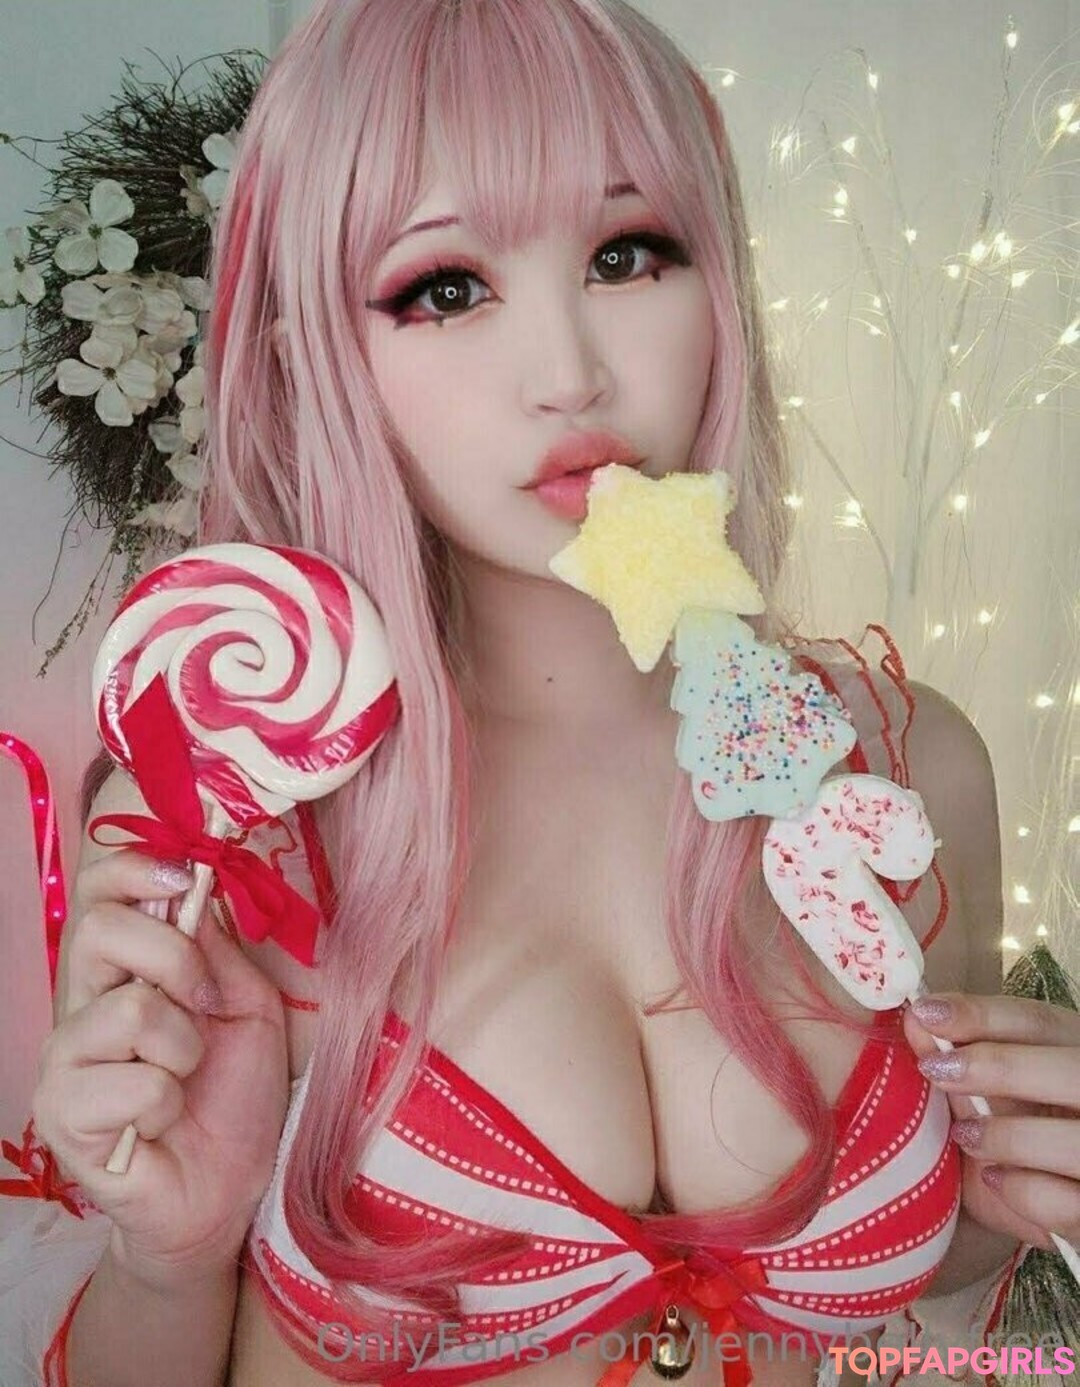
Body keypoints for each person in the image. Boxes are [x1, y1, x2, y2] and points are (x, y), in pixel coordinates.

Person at [7, 1, 1079, 1384]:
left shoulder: (910, 763)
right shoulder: (235, 822)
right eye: (447, 287)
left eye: (627, 255)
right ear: (320, 353)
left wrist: (1004, 1201)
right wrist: (170, 1256)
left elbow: (942, 1269)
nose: (572, 374)